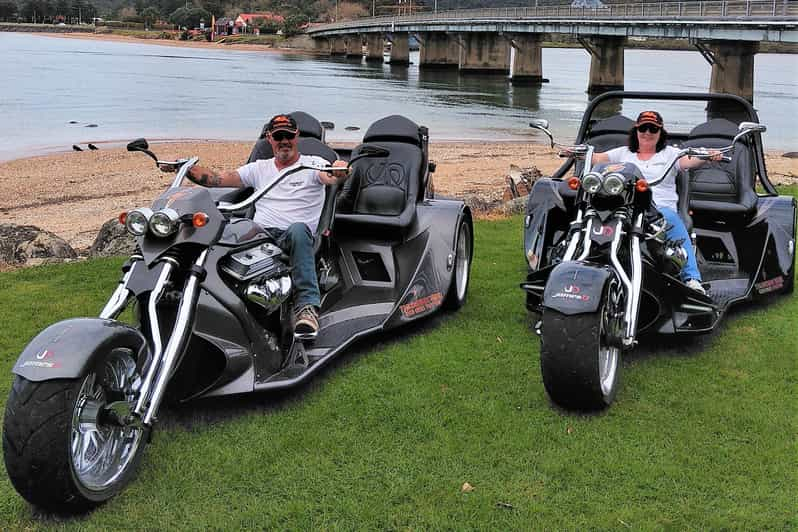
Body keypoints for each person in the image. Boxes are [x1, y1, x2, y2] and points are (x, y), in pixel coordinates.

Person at [164, 114, 348, 336]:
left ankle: (307, 309)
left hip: (294, 235)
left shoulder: (312, 164)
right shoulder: (258, 168)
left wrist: (339, 169)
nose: (284, 141)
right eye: (278, 136)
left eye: (288, 135)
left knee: (299, 229)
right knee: (223, 230)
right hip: (258, 234)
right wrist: (186, 169)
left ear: (296, 136)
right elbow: (218, 179)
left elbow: (332, 176)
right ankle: (190, 296)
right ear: (269, 138)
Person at [588, 110, 721, 295]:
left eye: (653, 128)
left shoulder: (671, 153)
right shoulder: (623, 153)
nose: (647, 133)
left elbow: (688, 161)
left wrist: (707, 156)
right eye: (643, 128)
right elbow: (597, 159)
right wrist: (578, 152)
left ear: (661, 132)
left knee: (670, 219)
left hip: (658, 210)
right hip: (626, 207)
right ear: (636, 130)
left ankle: (692, 279)